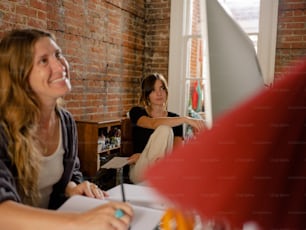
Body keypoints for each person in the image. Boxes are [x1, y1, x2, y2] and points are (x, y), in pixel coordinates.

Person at [0, 29, 132, 230]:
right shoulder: (3, 126)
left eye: (58, 54)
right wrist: (79, 222)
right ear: (19, 74)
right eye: (44, 60)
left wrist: (72, 188)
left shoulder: (65, 121)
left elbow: (70, 174)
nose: (60, 65)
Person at [128, 73, 206, 183]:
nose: (159, 93)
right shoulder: (136, 112)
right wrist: (186, 119)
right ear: (147, 94)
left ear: (166, 91)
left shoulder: (175, 119)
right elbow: (153, 123)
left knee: (166, 130)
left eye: (162, 88)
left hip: (162, 169)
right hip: (140, 169)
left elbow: (176, 155)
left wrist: (144, 156)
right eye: (154, 90)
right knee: (164, 128)